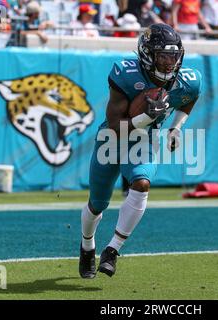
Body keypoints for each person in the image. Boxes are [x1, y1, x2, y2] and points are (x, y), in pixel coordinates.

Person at [78, 23, 202, 279]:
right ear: (147, 55)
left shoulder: (188, 80)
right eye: (163, 56)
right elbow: (114, 124)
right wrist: (145, 118)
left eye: (173, 56)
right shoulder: (126, 73)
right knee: (97, 204)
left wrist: (176, 127)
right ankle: (87, 244)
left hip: (145, 140)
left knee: (142, 183)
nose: (169, 63)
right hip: (112, 138)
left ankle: (112, 250)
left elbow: (189, 100)